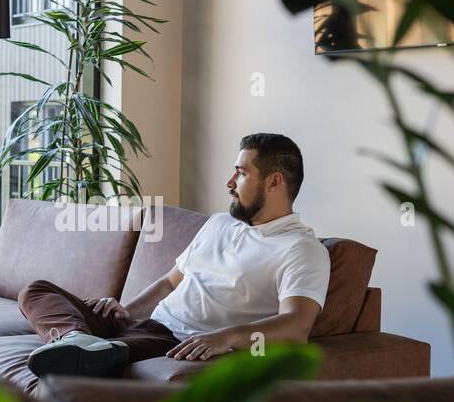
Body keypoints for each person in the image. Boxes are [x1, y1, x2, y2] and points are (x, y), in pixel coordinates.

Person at [18, 132, 330, 379]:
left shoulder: (301, 249)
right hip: (144, 323)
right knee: (36, 290)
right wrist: (126, 311)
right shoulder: (220, 223)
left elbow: (296, 326)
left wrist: (226, 338)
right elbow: (170, 282)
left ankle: (87, 349)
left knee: (103, 354)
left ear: (274, 181)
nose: (230, 183)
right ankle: (75, 338)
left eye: (241, 174)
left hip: (176, 338)